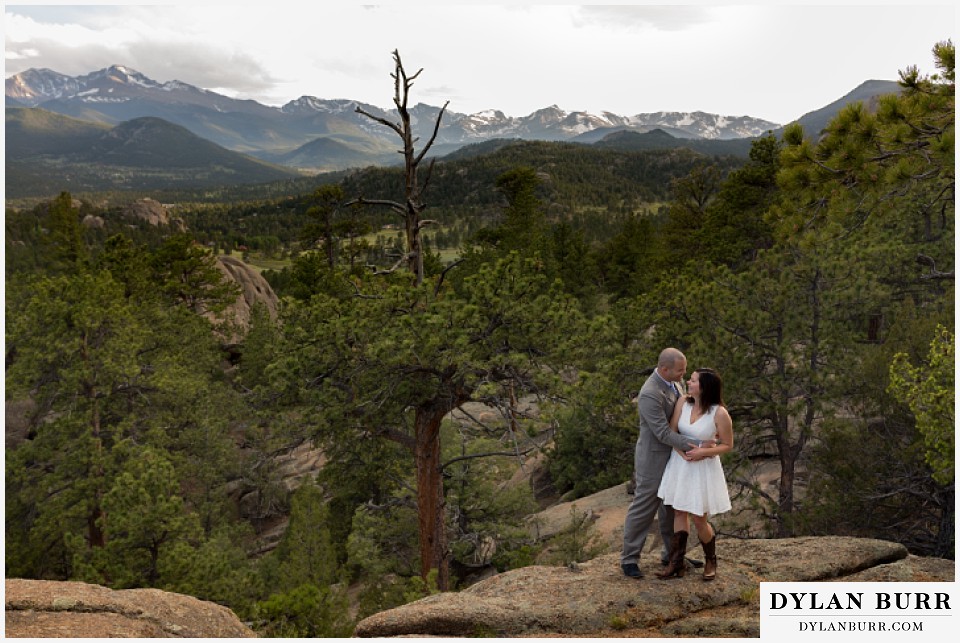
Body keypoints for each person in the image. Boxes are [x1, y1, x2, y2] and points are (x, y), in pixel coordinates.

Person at [620, 348, 715, 579]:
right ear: (665, 369)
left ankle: (672, 555)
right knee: (645, 506)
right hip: (653, 458)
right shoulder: (650, 394)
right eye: (680, 370)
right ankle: (629, 559)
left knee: (672, 507)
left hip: (675, 458)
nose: (684, 374)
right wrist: (698, 443)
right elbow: (662, 432)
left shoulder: (675, 384)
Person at [655, 367, 734, 581]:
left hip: (702, 468)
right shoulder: (683, 403)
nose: (688, 383)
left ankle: (711, 559)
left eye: (693, 380)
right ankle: (676, 564)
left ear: (704, 386)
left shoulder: (719, 413)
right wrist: (683, 453)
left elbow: (727, 445)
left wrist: (703, 452)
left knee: (699, 518)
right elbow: (672, 433)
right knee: (679, 512)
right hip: (680, 464)